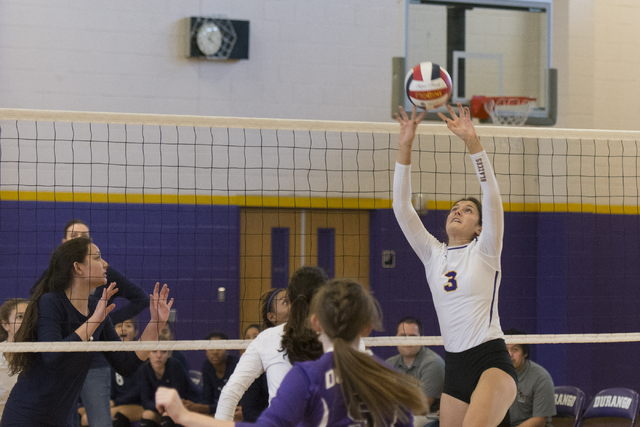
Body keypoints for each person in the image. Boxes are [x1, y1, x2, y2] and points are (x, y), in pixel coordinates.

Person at [155, 279, 428, 426]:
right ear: (368, 328)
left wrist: (185, 416)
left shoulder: (307, 377)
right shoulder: (394, 381)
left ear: (316, 323)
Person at [393, 104, 517, 427]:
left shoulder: (486, 249)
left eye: (467, 210)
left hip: (491, 362)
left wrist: (473, 144)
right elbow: (401, 207)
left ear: (479, 226)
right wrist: (405, 145)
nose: (457, 212)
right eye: (454, 208)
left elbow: (490, 197)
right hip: (456, 368)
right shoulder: (434, 255)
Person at [1, 236, 173, 427]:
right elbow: (52, 356)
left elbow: (127, 364)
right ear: (78, 267)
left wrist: (156, 323)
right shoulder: (51, 302)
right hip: (26, 416)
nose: (105, 264)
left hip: (60, 419)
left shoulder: (95, 308)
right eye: (98, 258)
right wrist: (94, 320)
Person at [34, 219, 151, 427]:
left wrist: (105, 321)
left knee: (100, 421)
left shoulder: (103, 272)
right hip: (63, 363)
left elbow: (141, 299)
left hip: (95, 360)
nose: (79, 240)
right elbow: (35, 299)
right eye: (74, 236)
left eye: (84, 237)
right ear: (64, 242)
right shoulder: (52, 290)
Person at [214, 266, 328, 421]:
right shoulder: (345, 338)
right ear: (324, 299)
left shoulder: (266, 339)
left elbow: (230, 393)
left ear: (291, 300)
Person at [386, 316, 445, 414]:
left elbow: (421, 408)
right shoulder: (390, 363)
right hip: (398, 414)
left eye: (412, 336)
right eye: (402, 336)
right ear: (395, 338)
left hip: (428, 417)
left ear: (422, 339)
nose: (407, 341)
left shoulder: (433, 363)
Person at [139, 338, 201, 427]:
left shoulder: (175, 366)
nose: (159, 355)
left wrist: (164, 408)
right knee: (147, 414)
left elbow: (179, 396)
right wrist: (159, 407)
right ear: (148, 353)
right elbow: (145, 401)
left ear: (169, 353)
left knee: (167, 416)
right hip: (161, 408)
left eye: (163, 352)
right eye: (154, 351)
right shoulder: (144, 369)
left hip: (187, 404)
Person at [182, 332, 241, 419]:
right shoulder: (207, 366)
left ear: (227, 350)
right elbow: (207, 399)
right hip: (218, 410)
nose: (215, 352)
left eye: (219, 348)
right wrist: (198, 408)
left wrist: (198, 407)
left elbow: (234, 405)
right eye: (211, 348)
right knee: (197, 418)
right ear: (206, 352)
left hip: (237, 411)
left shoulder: (236, 364)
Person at [504, 329, 555, 427]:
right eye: (506, 350)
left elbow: (539, 421)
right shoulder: (496, 375)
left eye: (515, 349)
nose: (510, 354)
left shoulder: (541, 378)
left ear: (525, 353)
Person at [109, 318, 145, 427]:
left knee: (116, 416)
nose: (123, 329)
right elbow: (109, 386)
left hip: (138, 404)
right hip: (116, 404)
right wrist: (109, 401)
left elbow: (140, 389)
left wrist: (115, 402)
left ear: (136, 333)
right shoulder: (110, 357)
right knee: (82, 417)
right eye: (119, 326)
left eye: (128, 326)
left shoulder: (142, 356)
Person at [0, 298, 28, 417]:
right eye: (20, 317)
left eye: (29, 317)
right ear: (6, 325)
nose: (26, 321)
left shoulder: (41, 356)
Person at [238, 324, 268, 422]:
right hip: (262, 419)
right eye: (247, 337)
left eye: (255, 336)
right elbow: (248, 411)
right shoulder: (247, 366)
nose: (251, 340)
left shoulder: (278, 361)